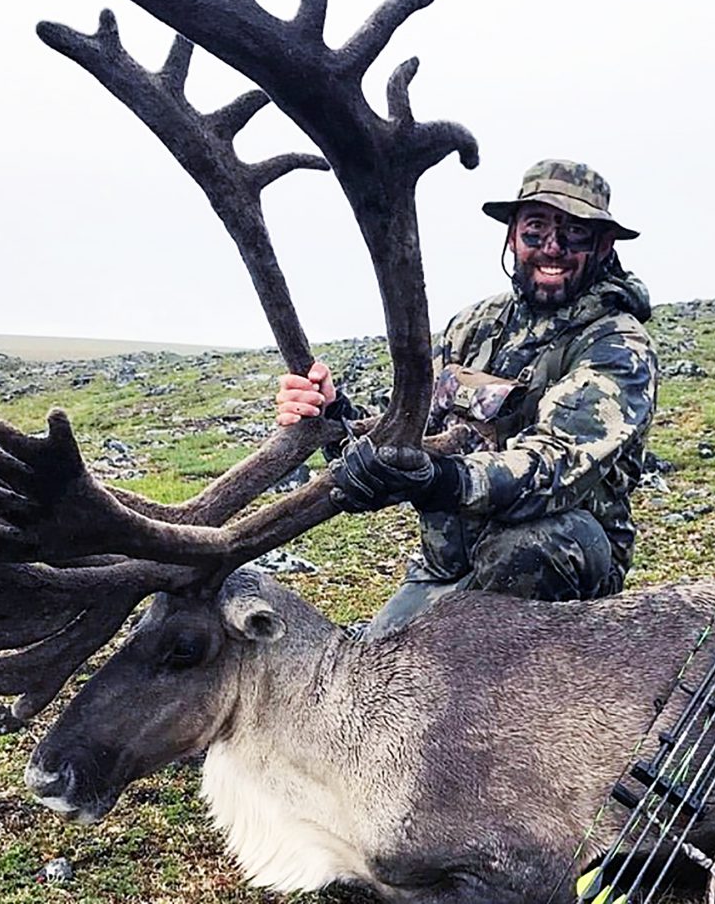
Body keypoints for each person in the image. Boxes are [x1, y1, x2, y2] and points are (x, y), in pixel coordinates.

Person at [276, 159, 657, 638]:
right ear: (513, 236)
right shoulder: (474, 325)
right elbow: (415, 437)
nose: (553, 248)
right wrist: (335, 417)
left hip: (547, 561)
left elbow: (555, 463)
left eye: (575, 233)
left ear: (603, 246)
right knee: (370, 674)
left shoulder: (617, 345)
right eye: (536, 230)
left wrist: (442, 480)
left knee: (537, 545)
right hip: (447, 566)